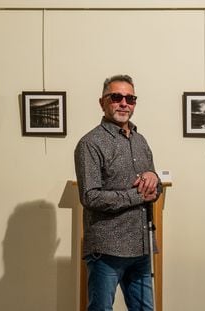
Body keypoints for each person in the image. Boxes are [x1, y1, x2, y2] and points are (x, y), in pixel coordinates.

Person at [74, 74, 162, 311]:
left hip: (141, 247)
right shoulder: (90, 144)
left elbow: (154, 186)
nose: (124, 103)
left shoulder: (140, 140)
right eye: (117, 97)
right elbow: (90, 196)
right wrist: (137, 196)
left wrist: (155, 179)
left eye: (130, 98)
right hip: (106, 250)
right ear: (102, 102)